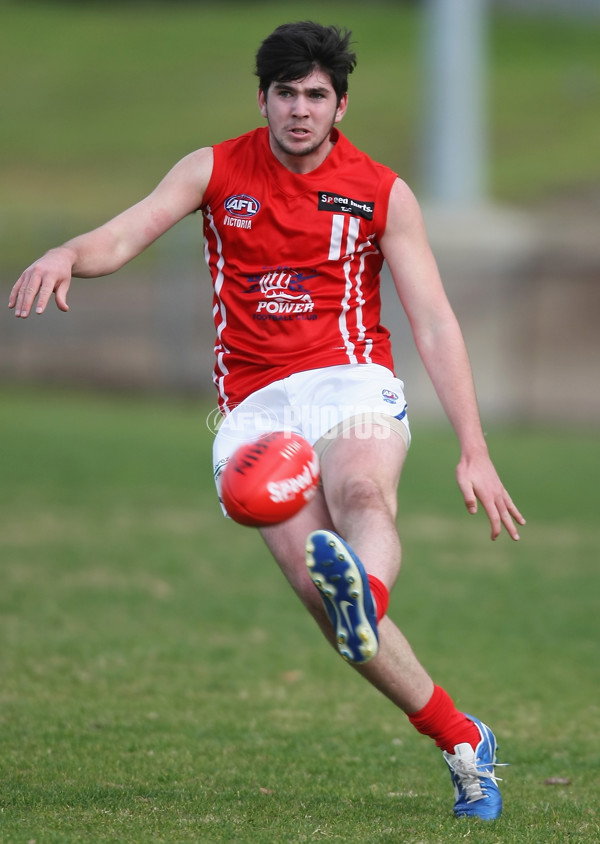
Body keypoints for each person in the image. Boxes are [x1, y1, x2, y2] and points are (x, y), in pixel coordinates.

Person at [9, 21, 525, 821]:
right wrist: (66, 254)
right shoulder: (214, 168)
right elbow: (126, 233)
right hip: (255, 404)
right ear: (264, 98)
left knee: (364, 499)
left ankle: (369, 593)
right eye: (285, 93)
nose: (299, 110)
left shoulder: (380, 190)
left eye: (316, 95)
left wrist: (474, 448)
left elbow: (435, 322)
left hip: (352, 379)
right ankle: (462, 736)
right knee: (324, 607)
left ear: (340, 105)